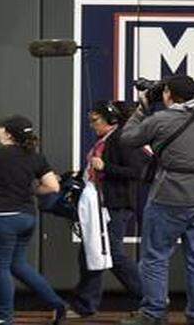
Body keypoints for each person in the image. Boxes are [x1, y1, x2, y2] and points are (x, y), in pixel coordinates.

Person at [119, 75, 194, 325]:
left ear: (168, 95)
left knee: (155, 257)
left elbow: (127, 138)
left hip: (171, 196)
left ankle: (153, 313)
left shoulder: (160, 120)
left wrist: (142, 107)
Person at [0, 115, 66, 325]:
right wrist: (34, 190)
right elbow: (53, 186)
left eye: (2, 128)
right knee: (18, 265)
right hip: (27, 217)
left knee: (0, 267)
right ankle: (57, 304)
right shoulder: (35, 156)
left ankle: (4, 316)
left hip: (4, 219)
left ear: (9, 134)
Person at [66, 101, 144, 320]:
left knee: (113, 254)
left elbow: (136, 171)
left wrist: (105, 167)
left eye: (95, 120)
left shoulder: (122, 139)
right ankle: (85, 304)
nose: (92, 124)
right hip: (99, 205)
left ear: (111, 120)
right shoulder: (107, 140)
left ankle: (150, 298)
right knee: (90, 253)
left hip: (114, 205)